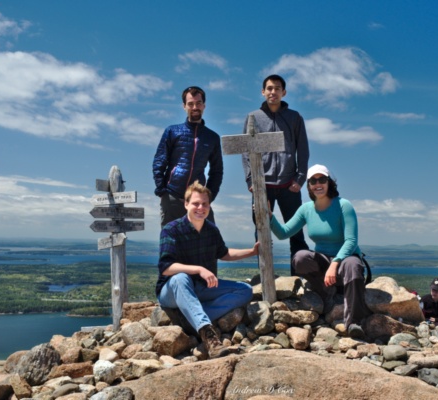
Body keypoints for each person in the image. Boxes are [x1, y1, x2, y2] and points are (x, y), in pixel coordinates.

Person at [155, 181, 258, 359]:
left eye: (204, 204)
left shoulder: (211, 230)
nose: (200, 207)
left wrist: (252, 251)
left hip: (202, 288)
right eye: (195, 203)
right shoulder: (171, 230)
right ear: (186, 204)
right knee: (181, 278)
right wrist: (198, 269)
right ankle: (209, 337)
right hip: (172, 290)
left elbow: (224, 253)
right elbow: (166, 267)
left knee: (245, 290)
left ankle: (190, 318)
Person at [268, 164, 372, 339]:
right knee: (300, 258)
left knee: (353, 265)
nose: (318, 184)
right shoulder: (306, 209)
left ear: (329, 182)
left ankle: (354, 322)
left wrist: (335, 263)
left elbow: (351, 241)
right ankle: (327, 293)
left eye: (322, 179)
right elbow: (283, 233)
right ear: (308, 185)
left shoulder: (343, 205)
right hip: (324, 260)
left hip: (345, 260)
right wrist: (268, 215)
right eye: (313, 181)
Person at [242, 74, 309, 273]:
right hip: (262, 186)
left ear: (284, 92)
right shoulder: (253, 117)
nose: (273, 92)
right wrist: (250, 180)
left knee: (296, 234)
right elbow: (246, 151)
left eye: (277, 88)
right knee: (261, 232)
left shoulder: (294, 117)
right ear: (263, 92)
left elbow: (302, 150)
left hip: (290, 185)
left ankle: (301, 279)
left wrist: (300, 179)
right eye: (269, 88)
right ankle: (266, 277)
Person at [153, 86, 223, 227]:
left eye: (198, 103)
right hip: (172, 196)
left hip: (198, 200)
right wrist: (162, 192)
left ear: (204, 105)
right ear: (184, 106)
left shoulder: (212, 138)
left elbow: (217, 171)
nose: (195, 107)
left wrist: (208, 197)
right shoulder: (172, 131)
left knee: (209, 243)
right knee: (171, 244)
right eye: (190, 104)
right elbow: (159, 162)